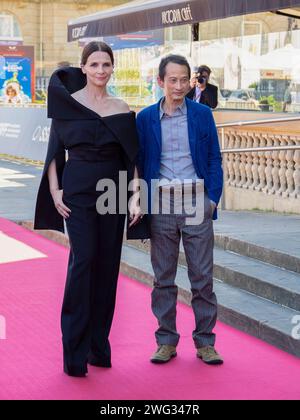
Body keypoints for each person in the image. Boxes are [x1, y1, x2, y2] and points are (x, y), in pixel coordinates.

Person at [34, 41, 146, 377]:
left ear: (112, 69)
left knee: (108, 265)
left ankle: (99, 347)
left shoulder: (121, 106)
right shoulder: (68, 106)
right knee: (82, 263)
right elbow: (55, 152)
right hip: (78, 193)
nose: (100, 70)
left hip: (112, 193)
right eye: (94, 64)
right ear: (83, 68)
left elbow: (132, 156)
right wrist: (55, 191)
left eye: (106, 65)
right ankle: (74, 353)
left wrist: (136, 195)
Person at [137, 55, 224, 365]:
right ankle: (166, 341)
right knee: (163, 278)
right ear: (160, 82)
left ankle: (205, 342)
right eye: (171, 80)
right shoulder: (145, 118)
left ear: (190, 81)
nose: (178, 86)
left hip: (197, 202)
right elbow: (139, 162)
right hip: (161, 204)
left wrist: (212, 199)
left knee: (202, 277)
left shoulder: (202, 114)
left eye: (183, 80)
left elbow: (214, 158)